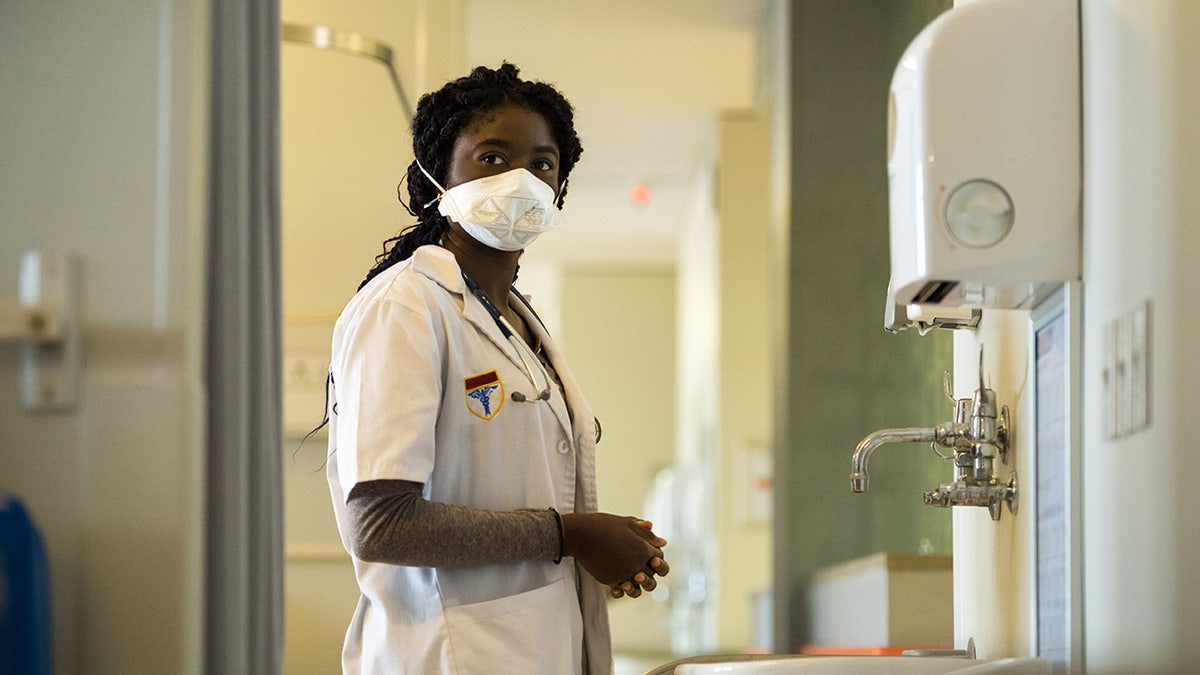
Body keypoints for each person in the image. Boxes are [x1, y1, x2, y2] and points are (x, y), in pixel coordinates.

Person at [325, 63, 670, 675]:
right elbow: (379, 524)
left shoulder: (516, 318)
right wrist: (572, 535)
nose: (521, 180)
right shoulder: (405, 305)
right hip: (443, 655)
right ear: (437, 172)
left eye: (543, 164)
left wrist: (603, 543)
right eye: (492, 157)